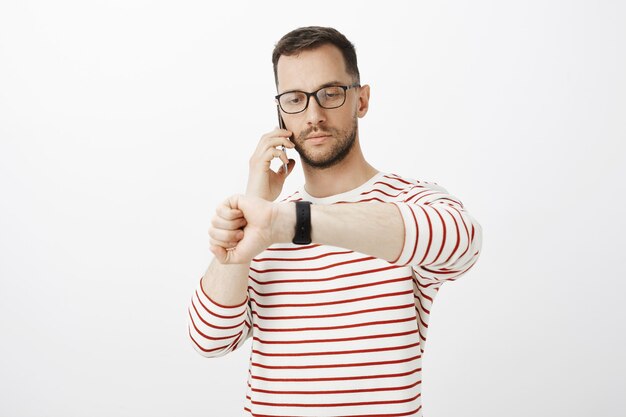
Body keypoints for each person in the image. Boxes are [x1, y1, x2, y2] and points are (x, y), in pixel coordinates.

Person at [187, 26, 483, 417]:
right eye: (295, 99)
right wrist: (255, 205)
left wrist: (292, 223)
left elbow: (465, 241)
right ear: (280, 112)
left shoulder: (410, 201)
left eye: (330, 93)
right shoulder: (268, 220)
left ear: (361, 99)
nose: (313, 115)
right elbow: (210, 339)